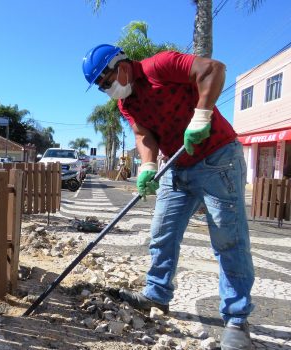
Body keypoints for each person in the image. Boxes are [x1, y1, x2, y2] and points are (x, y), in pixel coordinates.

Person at [82, 44, 254, 350]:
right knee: (162, 232)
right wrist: (148, 165)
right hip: (177, 166)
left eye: (106, 82)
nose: (107, 90)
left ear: (120, 66)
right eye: (101, 88)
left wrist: (201, 116)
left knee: (229, 239)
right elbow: (143, 134)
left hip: (217, 158)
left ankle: (237, 320)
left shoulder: (159, 66)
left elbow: (214, 69)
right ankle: (157, 295)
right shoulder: (126, 104)